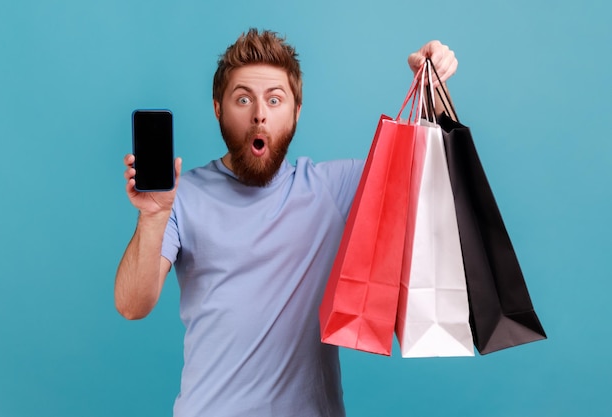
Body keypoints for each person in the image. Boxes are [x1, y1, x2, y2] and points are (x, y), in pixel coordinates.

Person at [115, 28, 458, 417]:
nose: (259, 113)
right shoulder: (182, 196)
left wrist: (432, 90)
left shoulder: (334, 188)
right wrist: (153, 216)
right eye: (243, 98)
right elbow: (132, 305)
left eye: (274, 100)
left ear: (296, 111)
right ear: (217, 109)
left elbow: (432, 181)